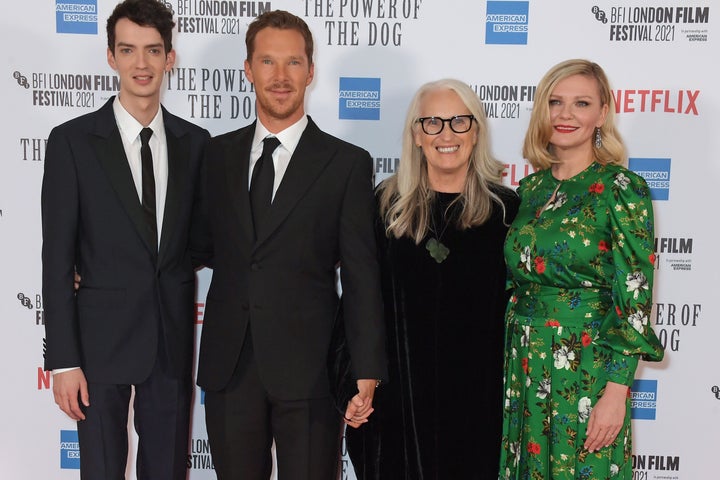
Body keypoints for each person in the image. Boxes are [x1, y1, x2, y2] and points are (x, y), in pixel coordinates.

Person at [196, 10, 386, 480]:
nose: (280, 77)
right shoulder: (214, 155)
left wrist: (365, 367)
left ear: (311, 71)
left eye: (293, 63)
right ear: (248, 70)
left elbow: (361, 273)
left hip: (311, 369)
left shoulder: (346, 164)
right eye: (267, 62)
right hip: (229, 365)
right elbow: (193, 246)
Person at [41, 1, 210, 478]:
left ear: (170, 58)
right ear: (111, 57)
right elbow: (56, 258)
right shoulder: (71, 142)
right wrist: (63, 361)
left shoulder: (195, 145)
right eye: (129, 50)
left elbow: (199, 241)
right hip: (96, 350)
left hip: (170, 343)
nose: (142, 63)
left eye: (153, 50)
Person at [345, 78, 519, 479]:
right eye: (432, 123)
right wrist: (353, 382)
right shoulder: (385, 207)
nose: (446, 134)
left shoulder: (507, 212)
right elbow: (359, 300)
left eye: (459, 121)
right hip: (398, 403)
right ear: (416, 135)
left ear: (476, 131)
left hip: (480, 402)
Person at [499, 59, 665, 479]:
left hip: (586, 362)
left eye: (581, 103)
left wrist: (617, 391)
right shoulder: (530, 189)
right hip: (524, 360)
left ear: (602, 113)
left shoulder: (621, 188)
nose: (566, 114)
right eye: (555, 102)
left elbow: (635, 292)